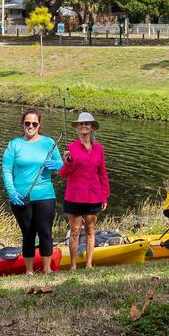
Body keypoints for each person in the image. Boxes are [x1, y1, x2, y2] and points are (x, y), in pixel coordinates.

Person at [2, 108, 63, 274]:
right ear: (22, 124)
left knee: (45, 232)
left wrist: (57, 165)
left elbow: (61, 164)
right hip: (21, 197)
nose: (30, 126)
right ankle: (29, 271)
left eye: (34, 123)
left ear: (39, 125)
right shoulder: (14, 144)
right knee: (28, 233)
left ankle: (47, 269)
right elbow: (6, 169)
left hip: (45, 195)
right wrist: (12, 192)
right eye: (27, 123)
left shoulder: (49, 143)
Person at [59, 112, 110, 269]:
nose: (84, 126)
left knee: (90, 230)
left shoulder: (99, 149)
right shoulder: (71, 148)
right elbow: (63, 174)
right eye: (81, 124)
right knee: (74, 231)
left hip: (94, 196)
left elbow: (102, 173)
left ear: (93, 128)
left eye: (87, 124)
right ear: (77, 128)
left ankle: (89, 265)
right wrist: (66, 162)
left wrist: (105, 196)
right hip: (74, 196)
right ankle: (73, 265)